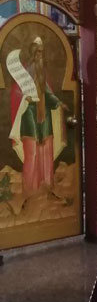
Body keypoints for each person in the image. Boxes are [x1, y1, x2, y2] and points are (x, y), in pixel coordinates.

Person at [8, 36, 68, 199]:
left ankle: (47, 187)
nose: (41, 56)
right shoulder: (24, 74)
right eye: (38, 52)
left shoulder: (42, 74)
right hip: (29, 116)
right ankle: (30, 192)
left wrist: (58, 103)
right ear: (33, 54)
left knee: (46, 151)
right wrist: (25, 98)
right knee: (32, 152)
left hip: (44, 116)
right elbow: (16, 94)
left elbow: (47, 92)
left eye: (42, 52)